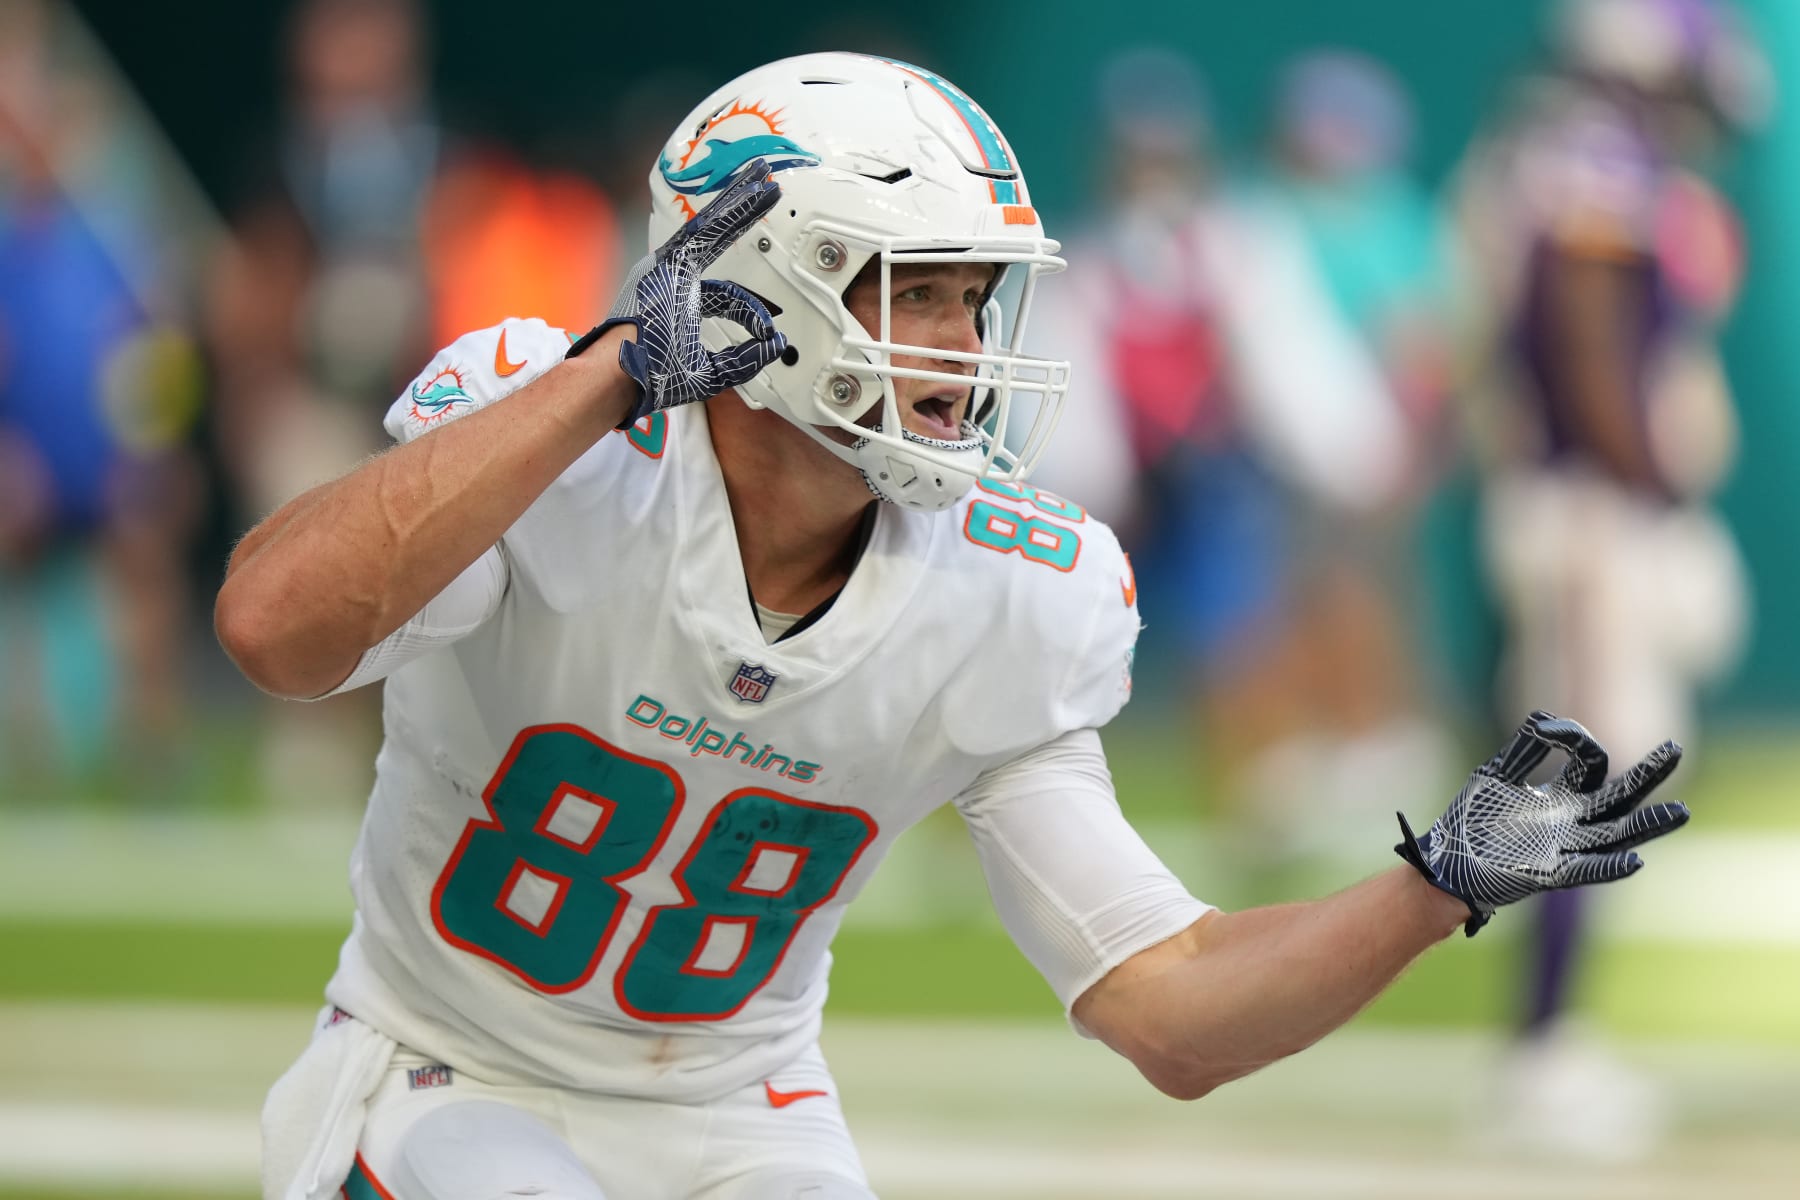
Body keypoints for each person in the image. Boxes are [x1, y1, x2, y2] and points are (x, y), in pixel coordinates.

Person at [218, 53, 1690, 1200]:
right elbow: (275, 633)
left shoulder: (1010, 590)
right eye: (918, 293)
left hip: (735, 1110)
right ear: (762, 279)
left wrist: (1432, 890)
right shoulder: (561, 444)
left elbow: (1168, 1009)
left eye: (978, 301)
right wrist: (602, 380)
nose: (966, 350)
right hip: (444, 1071)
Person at [1454, 0, 1761, 1157]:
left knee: (1583, 772)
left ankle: (1543, 1040)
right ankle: (1540, 1052)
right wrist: (1652, 488)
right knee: (1580, 773)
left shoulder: (1564, 148)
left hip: (1590, 504)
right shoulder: (1590, 157)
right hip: (1591, 510)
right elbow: (1586, 342)